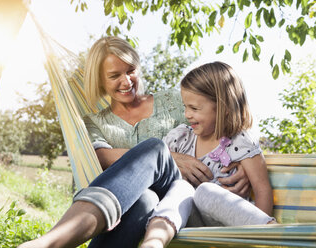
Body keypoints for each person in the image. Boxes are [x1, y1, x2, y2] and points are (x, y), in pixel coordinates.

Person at [18, 37, 251, 248]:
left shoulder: (173, 100)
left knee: (155, 147)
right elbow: (101, 157)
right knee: (145, 199)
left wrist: (243, 161)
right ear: (99, 80)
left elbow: (221, 119)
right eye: (114, 75)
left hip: (187, 198)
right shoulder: (94, 122)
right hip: (142, 209)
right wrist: (172, 158)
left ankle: (52, 241)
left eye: (131, 70)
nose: (126, 81)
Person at [140, 61, 276, 248]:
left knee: (205, 191)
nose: (187, 114)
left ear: (223, 107)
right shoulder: (180, 138)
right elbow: (154, 163)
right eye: (185, 107)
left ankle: (271, 234)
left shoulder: (241, 141)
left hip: (234, 228)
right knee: (181, 188)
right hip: (189, 225)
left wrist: (258, 241)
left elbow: (262, 189)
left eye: (194, 108)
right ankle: (153, 243)